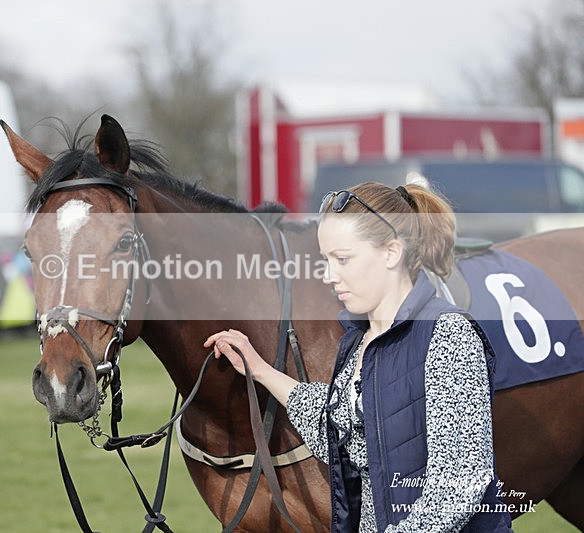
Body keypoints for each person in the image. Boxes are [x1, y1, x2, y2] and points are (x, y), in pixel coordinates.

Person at [205, 182, 512, 532]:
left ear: (391, 252)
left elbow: (459, 482)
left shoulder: (448, 335)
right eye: (325, 260)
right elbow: (339, 434)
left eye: (343, 259)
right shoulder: (358, 342)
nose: (328, 275)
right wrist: (259, 369)